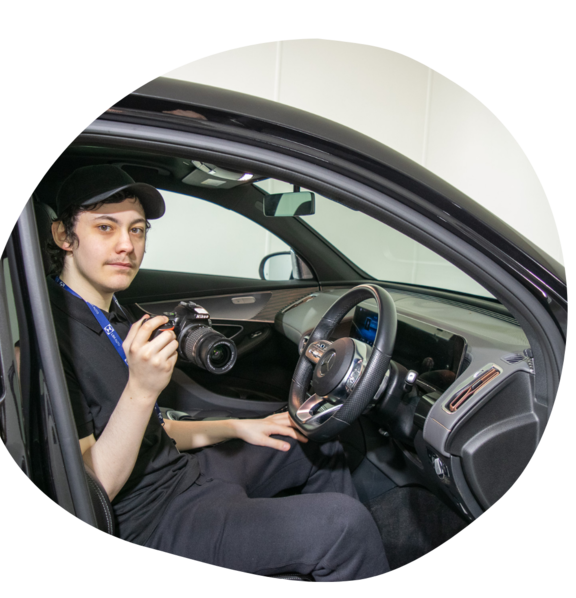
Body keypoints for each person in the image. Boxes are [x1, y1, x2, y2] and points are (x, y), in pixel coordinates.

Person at [46, 164, 390, 581]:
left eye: (137, 230)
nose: (127, 245)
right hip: (149, 522)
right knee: (344, 527)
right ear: (64, 236)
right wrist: (140, 390)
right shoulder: (49, 343)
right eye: (105, 227)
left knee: (312, 442)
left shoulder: (116, 316)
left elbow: (153, 432)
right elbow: (93, 489)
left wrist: (242, 427)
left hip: (181, 475)